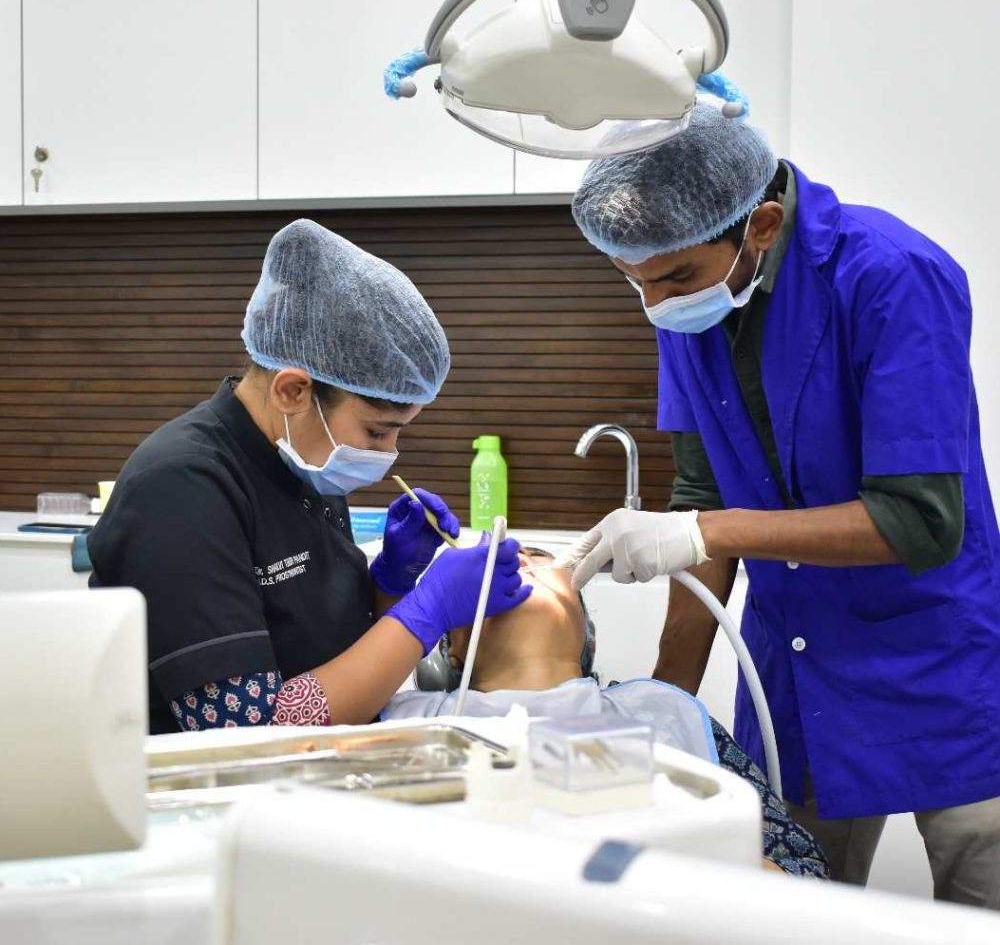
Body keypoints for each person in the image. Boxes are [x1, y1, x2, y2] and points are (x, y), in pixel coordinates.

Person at [557, 103, 1000, 906]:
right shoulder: (689, 294)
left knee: (982, 896)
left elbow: (922, 520)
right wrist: (669, 711)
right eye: (635, 280)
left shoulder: (892, 274)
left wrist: (704, 530)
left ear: (761, 225)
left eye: (673, 279)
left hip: (938, 653)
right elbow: (702, 493)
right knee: (791, 907)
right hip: (796, 659)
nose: (655, 303)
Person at [88, 219, 531, 735]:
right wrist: (426, 611)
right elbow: (250, 728)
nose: (388, 454)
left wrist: (390, 582)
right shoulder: (181, 489)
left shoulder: (299, 458)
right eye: (376, 431)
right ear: (293, 392)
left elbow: (329, 649)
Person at [386, 547, 830, 879]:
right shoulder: (404, 726)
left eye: (538, 557)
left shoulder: (662, 712)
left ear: (586, 636)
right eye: (486, 574)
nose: (516, 559)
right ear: (453, 650)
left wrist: (676, 863)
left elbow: (805, 873)